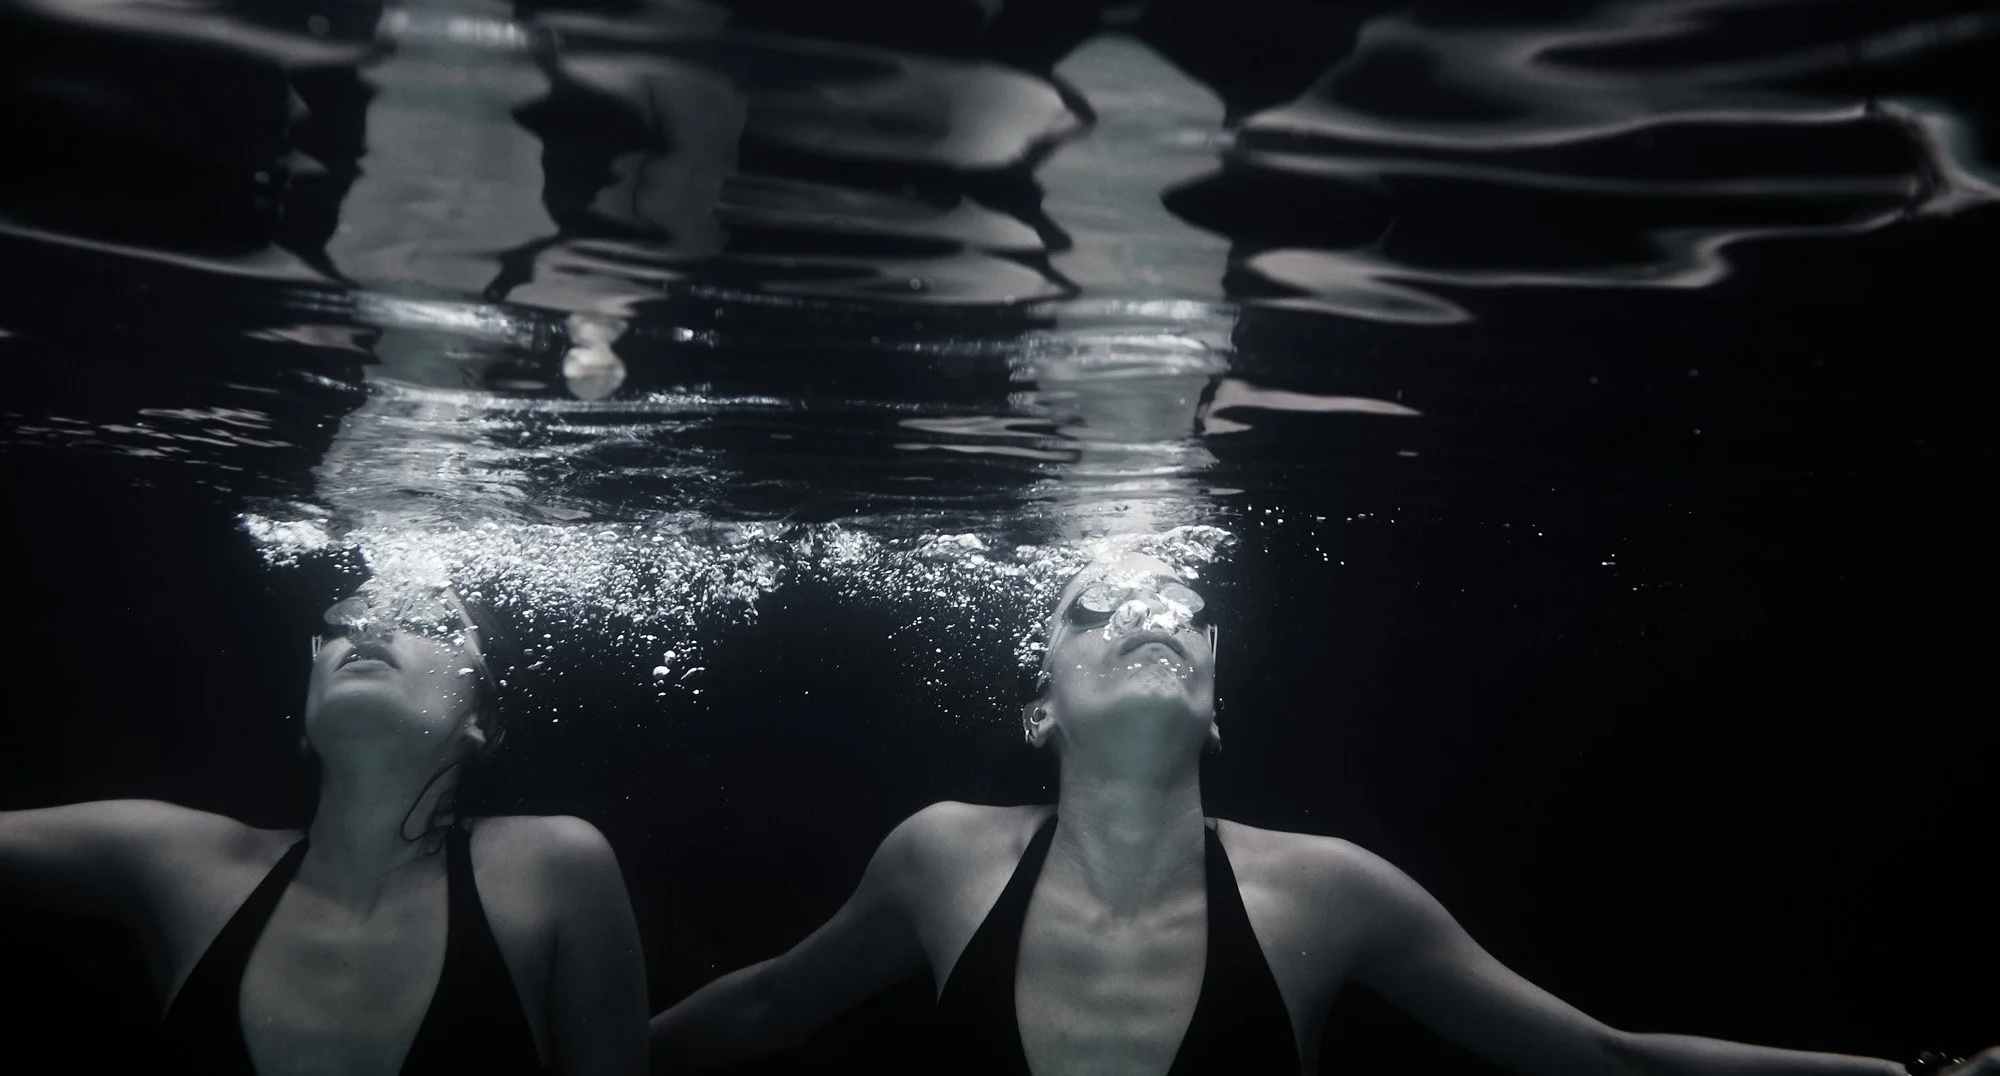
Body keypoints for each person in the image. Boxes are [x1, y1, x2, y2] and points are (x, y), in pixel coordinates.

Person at [651, 553, 1993, 1076]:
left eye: (1180, 607)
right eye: (1094, 607)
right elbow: (770, 1007)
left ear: (1221, 707)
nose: (1151, 612)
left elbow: (1600, 1058)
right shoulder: (943, 855)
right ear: (1036, 706)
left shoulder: (1329, 892)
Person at [0, 581, 648, 1076]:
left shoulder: (553, 867)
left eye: (428, 619)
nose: (372, 625)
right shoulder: (180, 858)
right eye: (349, 618)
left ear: (486, 718)